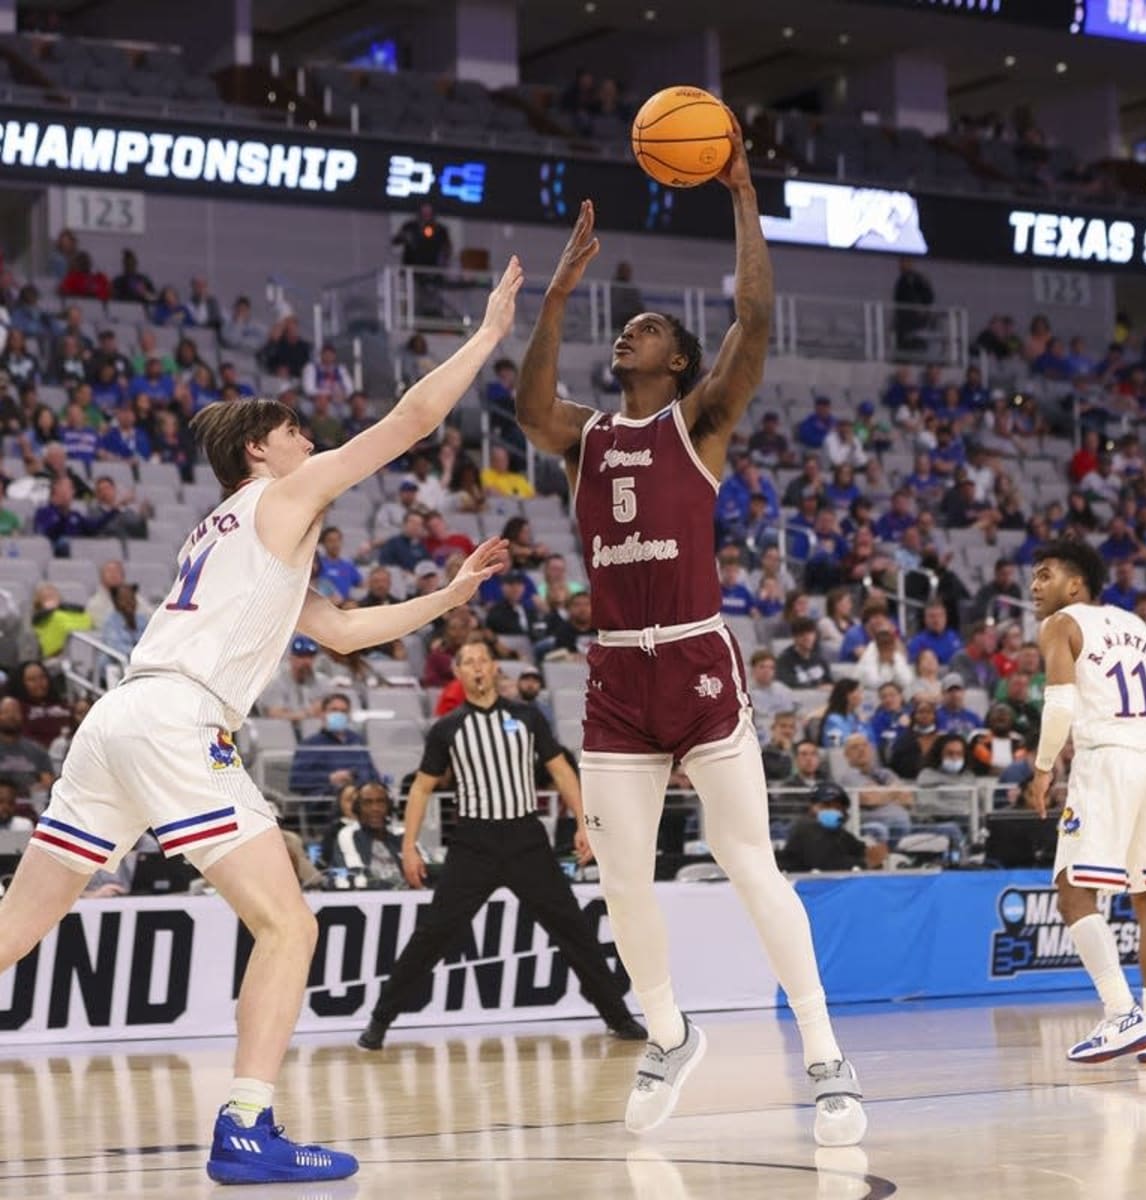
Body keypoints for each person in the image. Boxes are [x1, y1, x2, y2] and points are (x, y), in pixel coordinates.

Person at [0, 258, 522, 1183]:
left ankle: (250, 1123)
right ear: (260, 452)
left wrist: (448, 595)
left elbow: (341, 631)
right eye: (292, 430)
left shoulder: (237, 531)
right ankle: (248, 1124)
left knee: (14, 930)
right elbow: (411, 421)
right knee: (290, 926)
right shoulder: (285, 495)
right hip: (173, 722)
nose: (307, 436)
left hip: (117, 719)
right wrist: (486, 334)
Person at [514, 122, 865, 1145]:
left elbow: (753, 319)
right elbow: (529, 401)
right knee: (619, 873)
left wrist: (743, 194)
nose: (633, 334)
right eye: (626, 329)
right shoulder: (585, 434)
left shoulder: (697, 422)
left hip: (699, 656)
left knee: (747, 858)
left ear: (678, 361)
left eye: (652, 328)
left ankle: (824, 1051)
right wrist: (558, 295)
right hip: (618, 674)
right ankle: (668, 1033)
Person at [357, 640, 646, 1049]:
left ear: (495, 668)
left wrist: (585, 824)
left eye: (483, 660)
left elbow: (562, 772)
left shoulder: (528, 717)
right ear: (457, 674)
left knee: (573, 929)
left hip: (526, 838)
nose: (477, 667)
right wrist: (408, 846)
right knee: (434, 933)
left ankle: (618, 1016)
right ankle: (380, 1020)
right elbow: (421, 789)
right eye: (468, 662)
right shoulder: (447, 728)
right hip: (473, 842)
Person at [1028, 537, 1146, 1065]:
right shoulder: (1140, 627)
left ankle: (1120, 1013)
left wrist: (1041, 767)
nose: (1035, 586)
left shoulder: (1061, 624)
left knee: (1072, 890)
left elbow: (1059, 705)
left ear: (1075, 584)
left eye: (1045, 574)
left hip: (1106, 760)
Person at [778, 782, 888, 872]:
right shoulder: (805, 828)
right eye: (826, 805)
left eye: (837, 807)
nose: (832, 810)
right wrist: (865, 862)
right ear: (812, 807)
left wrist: (874, 852)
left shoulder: (838, 833)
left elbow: (858, 848)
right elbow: (825, 863)